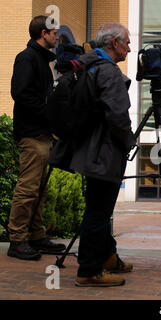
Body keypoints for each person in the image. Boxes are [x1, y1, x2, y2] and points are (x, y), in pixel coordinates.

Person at [50, 22, 136, 287]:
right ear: (114, 43)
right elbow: (119, 116)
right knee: (98, 212)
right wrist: (129, 142)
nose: (130, 48)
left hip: (88, 150)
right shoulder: (108, 72)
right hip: (104, 152)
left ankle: (107, 255)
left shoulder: (88, 63)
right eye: (127, 42)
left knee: (99, 209)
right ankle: (88, 269)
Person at [7, 16, 67, 261]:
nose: (58, 37)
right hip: (32, 133)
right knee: (28, 188)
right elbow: (20, 94)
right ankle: (17, 240)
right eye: (55, 33)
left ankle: (36, 236)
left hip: (42, 133)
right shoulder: (27, 58)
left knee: (39, 189)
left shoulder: (43, 60)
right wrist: (47, 114)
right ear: (44, 33)